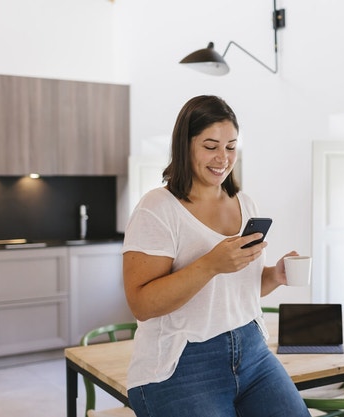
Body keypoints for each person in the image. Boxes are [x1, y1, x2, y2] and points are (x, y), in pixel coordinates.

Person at [122, 95, 311, 417]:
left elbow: (236, 290)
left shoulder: (244, 202)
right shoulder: (158, 208)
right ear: (186, 146)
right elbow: (142, 304)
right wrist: (209, 265)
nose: (222, 158)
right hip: (181, 362)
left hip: (252, 350)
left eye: (231, 146)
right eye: (210, 146)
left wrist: (272, 277)